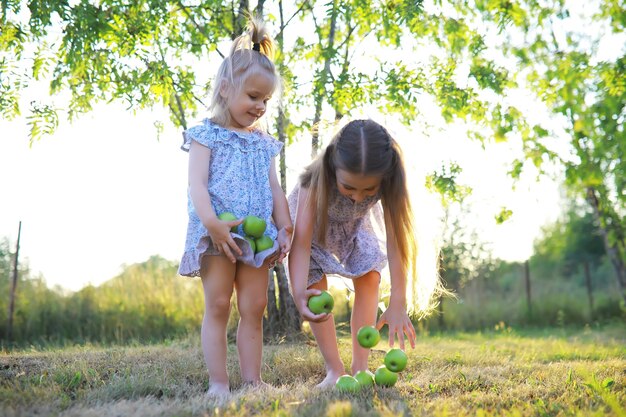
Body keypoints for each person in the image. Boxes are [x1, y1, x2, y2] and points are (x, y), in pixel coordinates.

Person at [178, 18, 292, 397]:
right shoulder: (205, 135)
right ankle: (218, 383)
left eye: (265, 100)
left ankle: (253, 381)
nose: (260, 106)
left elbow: (274, 188)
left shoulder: (263, 143)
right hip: (218, 233)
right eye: (253, 96)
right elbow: (196, 185)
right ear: (226, 89)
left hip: (257, 237)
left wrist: (286, 226)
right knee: (219, 305)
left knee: (255, 305)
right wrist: (212, 224)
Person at [288, 119, 442, 388]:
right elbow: (300, 244)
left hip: (356, 226)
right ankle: (334, 370)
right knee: (314, 287)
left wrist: (397, 303)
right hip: (312, 228)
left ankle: (360, 367)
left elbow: (396, 246)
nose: (358, 197)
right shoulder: (313, 180)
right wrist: (299, 292)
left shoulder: (392, 182)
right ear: (333, 167)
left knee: (370, 274)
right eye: (349, 187)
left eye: (369, 190)